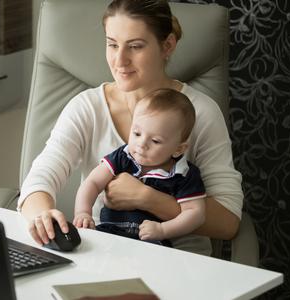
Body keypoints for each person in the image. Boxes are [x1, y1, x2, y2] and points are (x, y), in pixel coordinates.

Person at [18, 0, 243, 255]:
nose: (119, 60)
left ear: (167, 45)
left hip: (180, 261)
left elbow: (229, 222)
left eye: (135, 46)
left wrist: (147, 198)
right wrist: (43, 216)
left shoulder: (201, 112)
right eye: (112, 44)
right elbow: (39, 179)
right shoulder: (87, 107)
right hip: (103, 252)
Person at [72, 89, 206, 247]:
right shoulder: (123, 156)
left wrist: (163, 230)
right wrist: (83, 212)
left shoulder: (184, 174)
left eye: (155, 141)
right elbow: (92, 183)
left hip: (151, 241)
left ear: (179, 149)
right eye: (136, 133)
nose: (142, 144)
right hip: (109, 231)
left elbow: (196, 214)